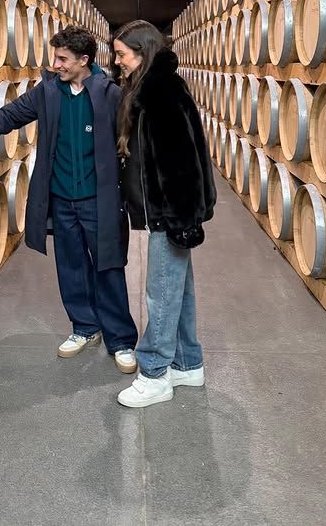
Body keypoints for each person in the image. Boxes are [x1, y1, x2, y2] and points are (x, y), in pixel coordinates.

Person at [0, 26, 138, 374]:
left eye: (63, 59)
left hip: (99, 200)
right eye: (55, 57)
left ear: (84, 60)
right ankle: (84, 327)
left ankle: (121, 339)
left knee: (108, 267)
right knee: (71, 265)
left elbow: (131, 137)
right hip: (62, 197)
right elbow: (9, 116)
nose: (56, 65)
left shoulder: (108, 92)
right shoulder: (48, 92)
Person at [112, 20, 216, 408]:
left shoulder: (160, 90)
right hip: (168, 211)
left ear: (143, 51)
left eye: (122, 54)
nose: (117, 61)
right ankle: (188, 363)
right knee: (179, 290)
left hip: (169, 212)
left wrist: (179, 218)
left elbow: (180, 158)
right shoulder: (151, 87)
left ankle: (155, 373)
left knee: (161, 293)